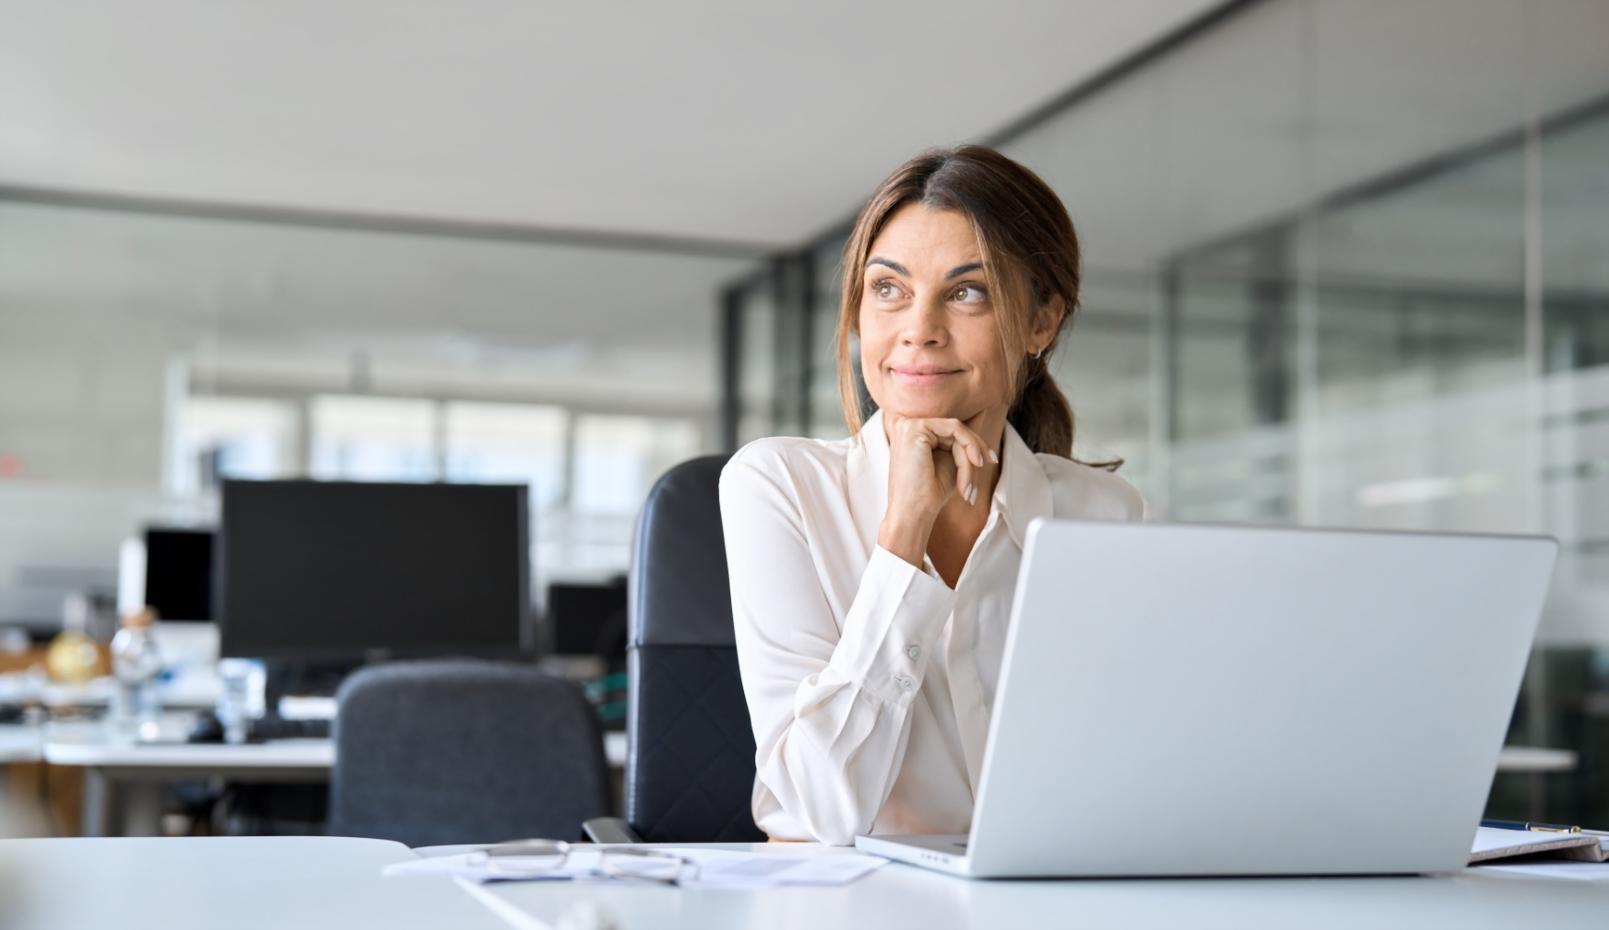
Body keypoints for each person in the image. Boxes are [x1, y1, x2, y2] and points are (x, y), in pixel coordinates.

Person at [719, 145, 1148, 845]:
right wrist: (903, 532)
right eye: (887, 288)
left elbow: (1132, 769)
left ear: (1041, 322)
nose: (917, 327)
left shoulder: (1104, 513)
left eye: (966, 291)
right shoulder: (778, 486)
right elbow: (822, 809)